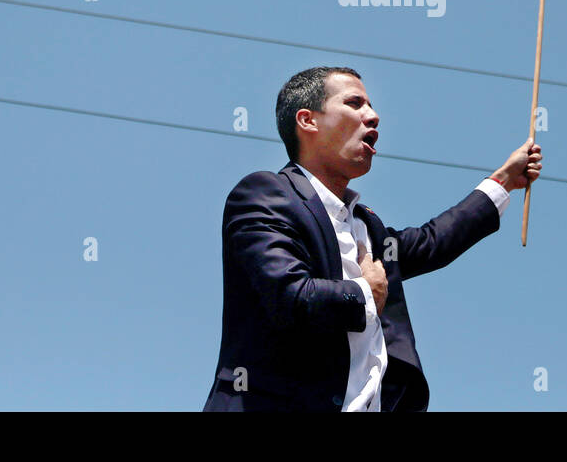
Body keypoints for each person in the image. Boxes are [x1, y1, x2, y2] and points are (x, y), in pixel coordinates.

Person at [203, 65, 542, 411]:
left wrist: (502, 181)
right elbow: (290, 296)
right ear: (307, 121)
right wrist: (366, 292)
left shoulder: (367, 227)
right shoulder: (265, 194)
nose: (374, 116)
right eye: (355, 103)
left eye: (372, 106)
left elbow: (432, 241)